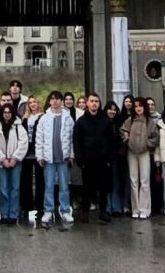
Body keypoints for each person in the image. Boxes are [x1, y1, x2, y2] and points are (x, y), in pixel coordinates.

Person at [72, 92, 114, 223]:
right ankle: (85, 212)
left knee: (103, 187)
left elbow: (111, 140)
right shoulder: (81, 121)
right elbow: (76, 141)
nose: (94, 103)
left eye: (96, 101)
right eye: (92, 101)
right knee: (86, 187)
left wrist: (110, 158)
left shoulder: (105, 121)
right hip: (87, 160)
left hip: (102, 160)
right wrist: (80, 159)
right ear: (87, 103)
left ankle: (103, 212)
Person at [34, 91, 74, 228]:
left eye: (57, 99)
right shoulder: (44, 118)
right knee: (49, 186)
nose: (55, 101)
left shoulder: (68, 118)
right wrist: (40, 156)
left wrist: (72, 155)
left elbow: (72, 138)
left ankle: (65, 210)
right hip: (48, 158)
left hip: (63, 158)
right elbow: (39, 138)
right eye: (52, 99)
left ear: (61, 101)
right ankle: (48, 210)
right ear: (49, 101)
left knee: (64, 186)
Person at [0, 101, 28, 225]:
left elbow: (23, 143)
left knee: (15, 188)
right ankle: (4, 213)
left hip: (15, 162)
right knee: (3, 188)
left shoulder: (19, 127)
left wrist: (15, 158)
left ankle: (13, 214)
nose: (7, 114)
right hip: (2, 163)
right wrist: (2, 159)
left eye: (9, 112)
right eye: (5, 112)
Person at [120, 98, 159, 218]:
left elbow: (156, 137)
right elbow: (122, 131)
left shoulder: (150, 122)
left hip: (145, 153)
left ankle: (145, 209)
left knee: (145, 180)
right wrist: (127, 139)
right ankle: (135, 209)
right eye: (136, 106)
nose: (138, 108)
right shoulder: (130, 120)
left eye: (140, 106)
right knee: (133, 181)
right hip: (131, 153)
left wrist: (148, 144)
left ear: (144, 107)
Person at [19, 96, 44, 224]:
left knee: (40, 181)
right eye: (30, 102)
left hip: (38, 153)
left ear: (38, 103)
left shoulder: (43, 117)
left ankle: (40, 208)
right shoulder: (24, 118)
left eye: (34, 102)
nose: (32, 104)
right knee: (26, 181)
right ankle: (26, 207)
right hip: (26, 154)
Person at [104, 100, 127, 216]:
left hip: (117, 157)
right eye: (110, 109)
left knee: (116, 182)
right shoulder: (102, 122)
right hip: (104, 156)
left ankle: (116, 207)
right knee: (106, 183)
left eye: (114, 109)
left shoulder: (120, 122)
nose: (112, 112)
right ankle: (107, 207)